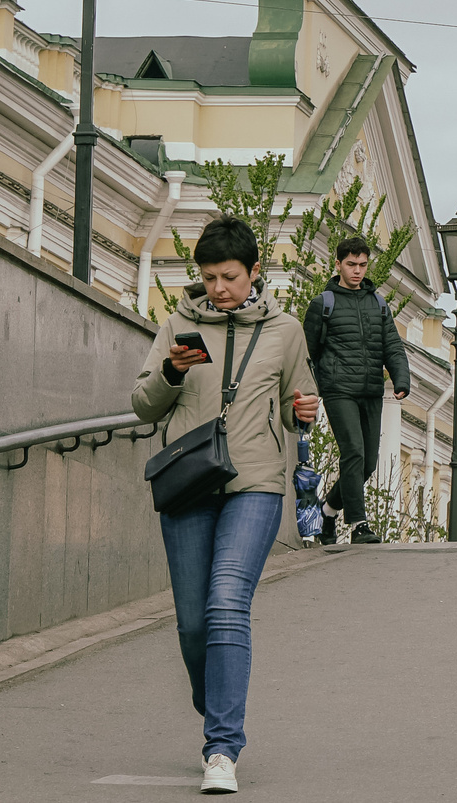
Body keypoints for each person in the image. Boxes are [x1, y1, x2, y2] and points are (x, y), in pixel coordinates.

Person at [132, 216, 319, 796]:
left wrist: (302, 412)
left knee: (226, 604)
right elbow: (143, 404)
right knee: (192, 624)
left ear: (254, 272)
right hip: (190, 484)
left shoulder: (286, 330)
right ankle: (217, 695)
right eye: (210, 277)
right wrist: (169, 372)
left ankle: (222, 748)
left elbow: (298, 399)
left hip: (255, 484)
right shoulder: (177, 325)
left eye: (230, 277)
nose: (219, 288)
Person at [302, 235, 410, 546]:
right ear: (338, 265)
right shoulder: (323, 304)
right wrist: (309, 390)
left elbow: (392, 345)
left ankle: (327, 513)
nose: (357, 271)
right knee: (353, 453)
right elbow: (305, 353)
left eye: (362, 265)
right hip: (338, 390)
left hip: (371, 390)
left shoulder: (378, 303)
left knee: (367, 464)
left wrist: (401, 379)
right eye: (351, 265)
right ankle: (359, 524)